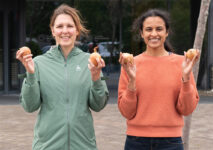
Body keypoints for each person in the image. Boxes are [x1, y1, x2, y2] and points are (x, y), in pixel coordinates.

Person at [16, 4, 108, 150]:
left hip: (83, 145)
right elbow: (29, 106)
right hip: (47, 146)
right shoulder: (38, 63)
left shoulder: (91, 61)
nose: (65, 31)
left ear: (77, 30)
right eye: (59, 26)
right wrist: (31, 74)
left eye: (69, 26)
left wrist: (96, 79)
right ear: (53, 31)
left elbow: (98, 105)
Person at [118, 9, 200, 150]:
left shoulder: (183, 63)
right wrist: (132, 82)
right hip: (136, 142)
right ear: (141, 33)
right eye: (149, 29)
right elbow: (127, 112)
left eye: (159, 29)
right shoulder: (130, 64)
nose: (154, 34)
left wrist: (186, 78)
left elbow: (187, 109)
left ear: (166, 32)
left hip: (171, 143)